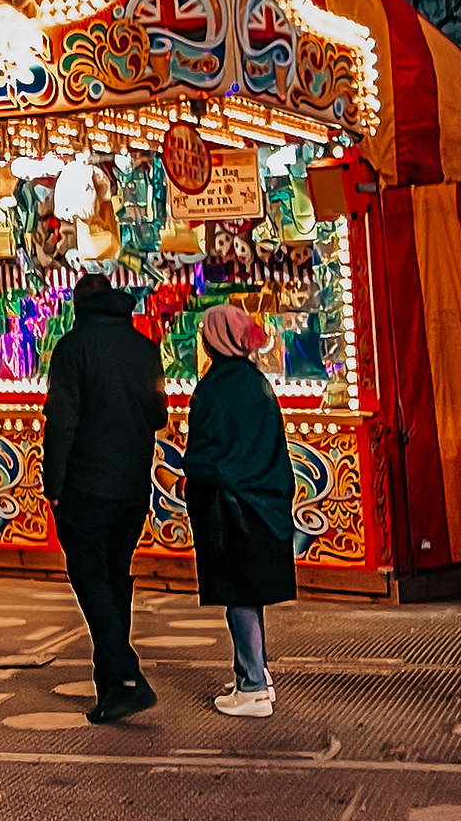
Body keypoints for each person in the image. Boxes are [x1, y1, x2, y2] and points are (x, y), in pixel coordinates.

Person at [42, 271, 168, 724]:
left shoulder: (73, 348)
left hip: (85, 486)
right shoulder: (143, 348)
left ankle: (127, 677)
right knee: (115, 578)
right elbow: (158, 415)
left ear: (79, 305)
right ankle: (110, 686)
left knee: (90, 578)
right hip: (133, 485)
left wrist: (53, 484)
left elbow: (63, 421)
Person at [182, 304, 298, 719]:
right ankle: (255, 673)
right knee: (252, 591)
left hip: (230, 505)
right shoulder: (256, 382)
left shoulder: (215, 389)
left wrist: (191, 477)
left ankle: (251, 685)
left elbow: (207, 453)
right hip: (265, 502)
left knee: (238, 595)